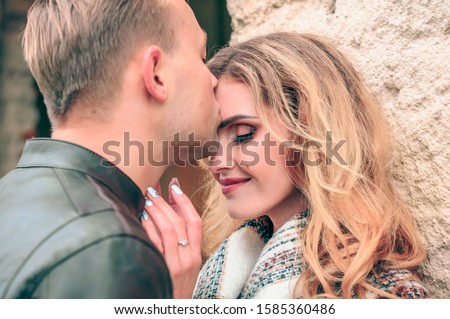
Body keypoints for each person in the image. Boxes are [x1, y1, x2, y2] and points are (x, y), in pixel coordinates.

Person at [144, 32, 429, 298]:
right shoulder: (227, 267)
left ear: (311, 132)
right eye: (210, 142)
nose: (216, 162)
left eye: (243, 134)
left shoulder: (380, 292)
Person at [0, 0, 218, 298]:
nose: (214, 80)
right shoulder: (108, 251)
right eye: (202, 57)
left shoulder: (11, 195)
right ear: (156, 74)